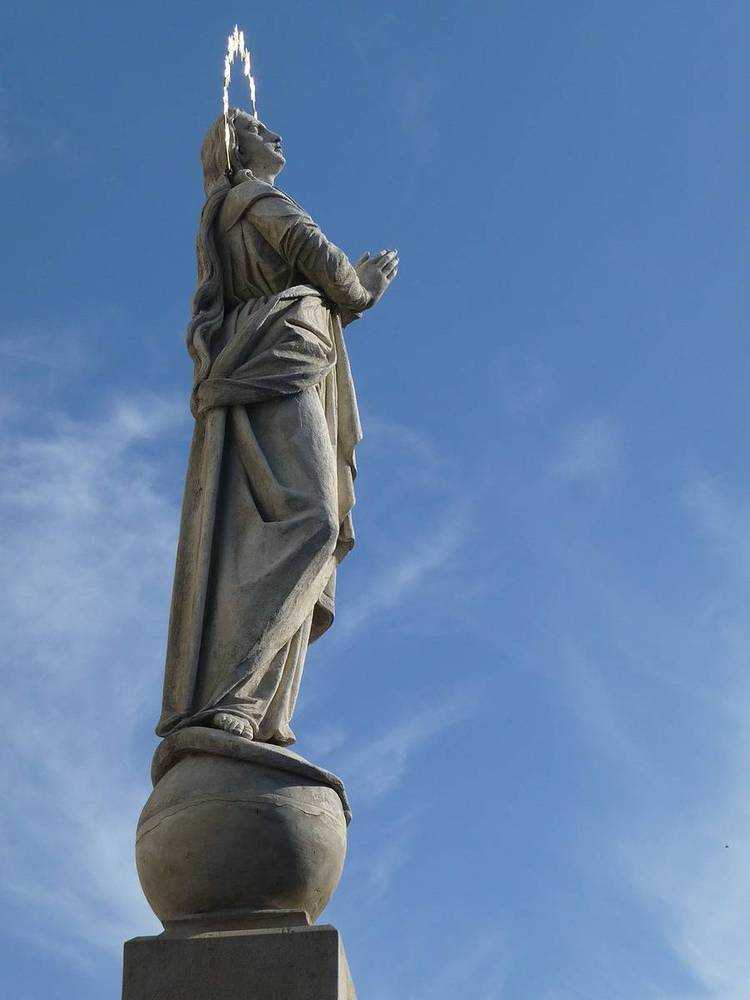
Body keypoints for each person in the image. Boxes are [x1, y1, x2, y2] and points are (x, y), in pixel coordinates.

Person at [156, 108, 398, 745]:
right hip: (280, 356)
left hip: (267, 355)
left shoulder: (226, 212)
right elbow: (331, 272)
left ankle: (253, 706)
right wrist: (365, 287)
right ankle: (234, 695)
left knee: (256, 530)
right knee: (311, 521)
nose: (275, 135)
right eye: (259, 130)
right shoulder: (258, 200)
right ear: (237, 150)